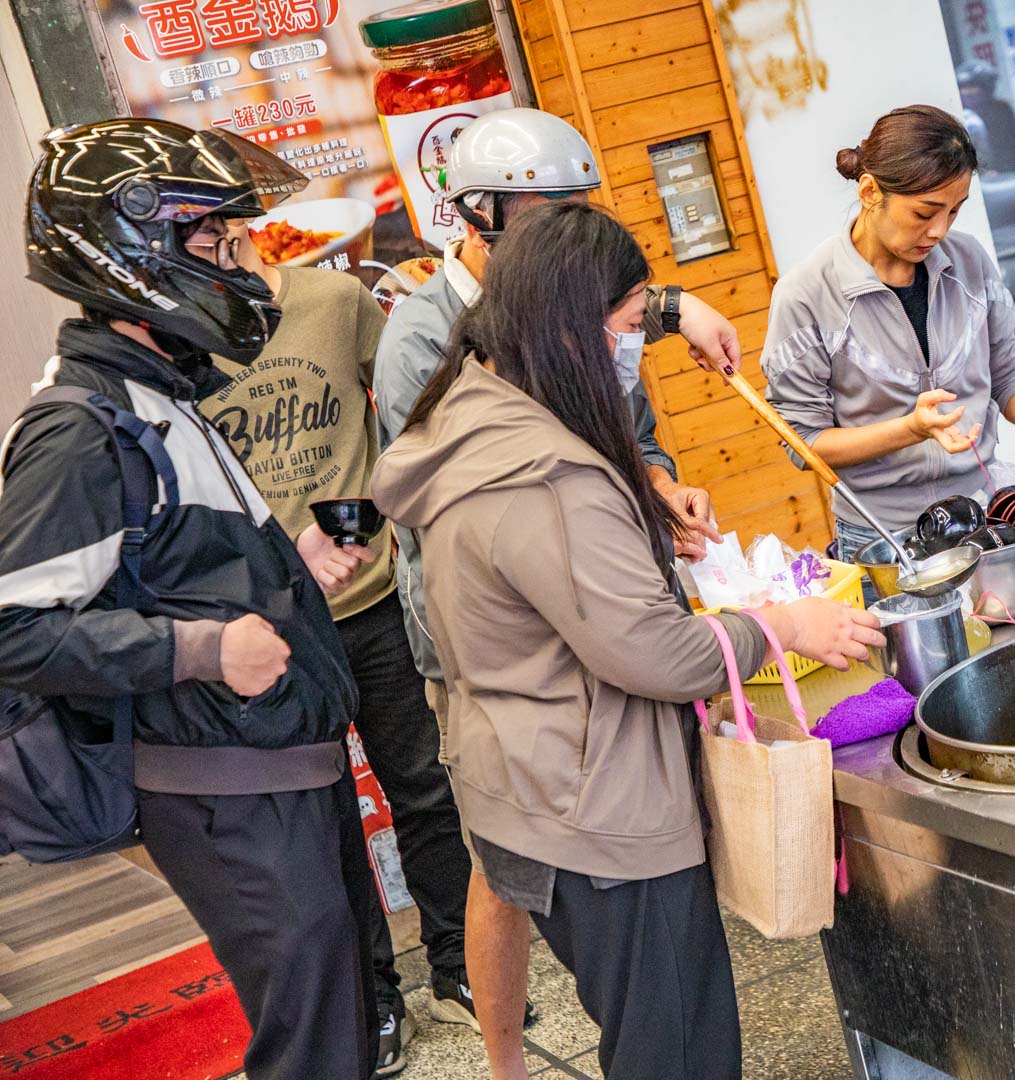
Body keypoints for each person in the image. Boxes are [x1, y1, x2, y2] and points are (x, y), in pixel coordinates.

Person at [369, 199, 883, 1080]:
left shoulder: (471, 411)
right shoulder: (545, 473)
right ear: (571, 327)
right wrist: (782, 626)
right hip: (598, 805)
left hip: (529, 775)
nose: (633, 344)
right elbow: (653, 653)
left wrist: (639, 509)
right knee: (676, 1050)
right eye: (630, 322)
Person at [371, 106, 743, 1079]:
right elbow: (636, 642)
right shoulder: (441, 354)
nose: (558, 238)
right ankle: (503, 1057)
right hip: (513, 670)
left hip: (560, 681)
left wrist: (656, 489)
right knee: (542, 900)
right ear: (482, 218)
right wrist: (767, 631)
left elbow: (627, 430)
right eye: (543, 217)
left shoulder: (570, 341)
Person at [0, 119, 376, 1078]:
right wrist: (200, 652)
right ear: (132, 256)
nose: (235, 263)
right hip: (223, 792)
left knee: (338, 1014)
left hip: (280, 767)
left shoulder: (166, 394)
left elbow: (171, 559)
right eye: (212, 244)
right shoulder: (81, 430)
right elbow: (15, 630)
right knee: (312, 1042)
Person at [198, 227, 482, 1074]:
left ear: (239, 236)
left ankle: (459, 968)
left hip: (372, 602)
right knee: (327, 826)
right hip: (274, 632)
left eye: (209, 244)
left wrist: (355, 525)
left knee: (426, 790)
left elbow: (404, 417)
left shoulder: (334, 302)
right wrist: (281, 573)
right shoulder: (188, 341)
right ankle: (374, 1001)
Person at [763, 104, 1015, 568]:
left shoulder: (969, 263)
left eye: (954, 212)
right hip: (880, 536)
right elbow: (804, 442)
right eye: (924, 212)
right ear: (869, 191)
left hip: (981, 514)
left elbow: (1008, 373)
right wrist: (910, 430)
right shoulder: (807, 295)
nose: (938, 231)